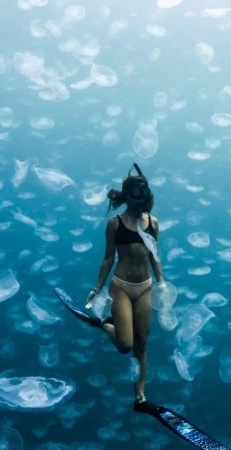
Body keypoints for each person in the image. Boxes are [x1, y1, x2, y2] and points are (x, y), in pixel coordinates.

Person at [87, 163, 163, 407]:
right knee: (125, 345)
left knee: (142, 344)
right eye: (136, 192)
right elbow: (108, 258)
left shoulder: (153, 222)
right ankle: (108, 327)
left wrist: (162, 285)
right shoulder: (115, 223)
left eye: (144, 192)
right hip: (121, 286)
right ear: (128, 194)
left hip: (146, 287)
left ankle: (140, 395)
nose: (141, 197)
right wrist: (97, 288)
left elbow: (154, 255)